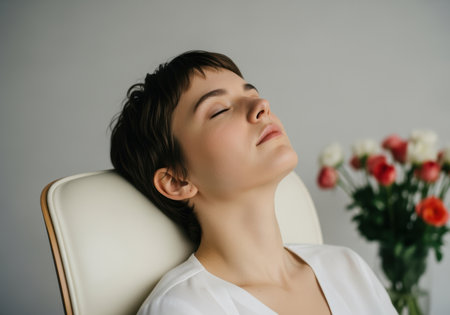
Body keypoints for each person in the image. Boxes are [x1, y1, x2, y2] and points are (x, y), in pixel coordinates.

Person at [110, 51, 397, 315]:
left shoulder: (347, 268)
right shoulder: (184, 307)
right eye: (219, 110)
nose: (262, 105)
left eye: (253, 93)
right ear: (176, 181)